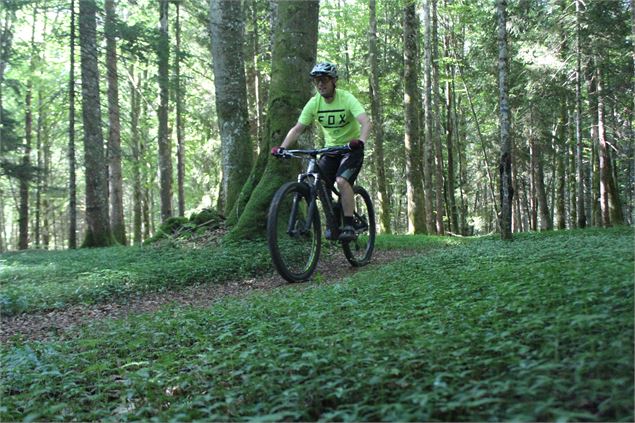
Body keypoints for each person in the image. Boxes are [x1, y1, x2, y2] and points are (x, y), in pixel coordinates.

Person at [271, 62, 371, 242]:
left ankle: (349, 224)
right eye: (316, 81)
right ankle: (333, 217)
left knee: (342, 181)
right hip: (331, 151)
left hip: (351, 148)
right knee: (316, 184)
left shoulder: (346, 98)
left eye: (324, 80)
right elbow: (297, 128)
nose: (320, 84)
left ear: (333, 81)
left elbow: (365, 122)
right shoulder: (314, 103)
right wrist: (283, 147)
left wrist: (361, 142)